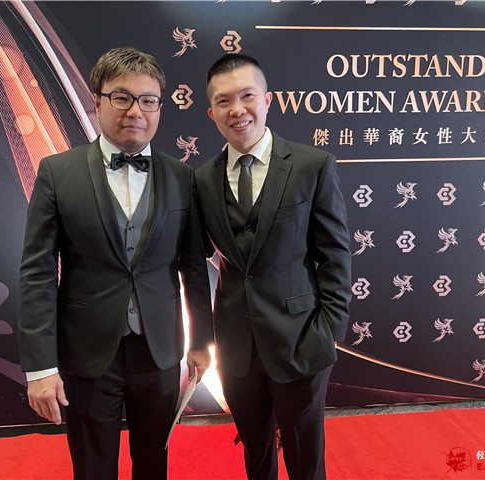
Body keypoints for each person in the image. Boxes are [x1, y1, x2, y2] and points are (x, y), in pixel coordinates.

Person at [18, 47, 213, 480]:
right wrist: (40, 367)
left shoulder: (182, 177)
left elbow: (193, 267)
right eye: (121, 97)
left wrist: (201, 340)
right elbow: (37, 274)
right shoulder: (56, 173)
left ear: (159, 107)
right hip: (87, 353)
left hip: (160, 351)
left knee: (153, 464)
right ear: (98, 100)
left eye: (148, 100)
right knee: (92, 468)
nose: (135, 111)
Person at [195, 53, 352, 480]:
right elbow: (194, 261)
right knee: (256, 453)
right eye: (224, 101)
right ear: (211, 113)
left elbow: (335, 255)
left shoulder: (311, 165)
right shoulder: (202, 179)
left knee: (305, 458)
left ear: (267, 100)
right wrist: (203, 339)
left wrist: (327, 332)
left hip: (301, 341)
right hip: (235, 347)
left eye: (247, 96)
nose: (237, 109)